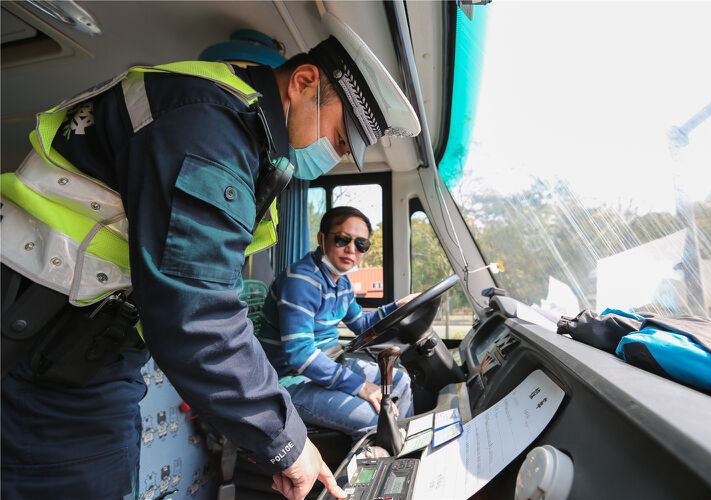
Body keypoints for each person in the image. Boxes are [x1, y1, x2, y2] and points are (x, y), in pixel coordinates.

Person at [0, 12, 419, 500]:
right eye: (340, 136)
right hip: (44, 341)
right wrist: (286, 440)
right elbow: (198, 313)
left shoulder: (234, 131)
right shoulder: (211, 124)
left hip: (92, 345)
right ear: (305, 82)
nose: (336, 154)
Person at [259, 206, 419, 437]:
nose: (351, 249)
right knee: (377, 419)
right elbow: (300, 355)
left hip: (331, 363)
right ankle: (376, 463)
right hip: (291, 380)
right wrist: (361, 386)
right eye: (343, 239)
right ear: (322, 239)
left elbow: (362, 324)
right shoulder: (301, 281)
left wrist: (397, 306)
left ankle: (400, 451)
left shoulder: (341, 283)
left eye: (361, 244)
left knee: (401, 381)